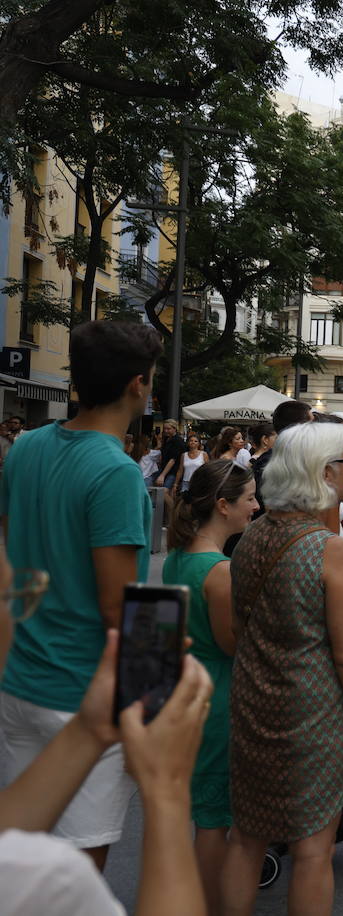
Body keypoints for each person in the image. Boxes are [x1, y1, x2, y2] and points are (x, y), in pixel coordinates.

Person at [0, 320, 160, 869]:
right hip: (79, 694)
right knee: (76, 873)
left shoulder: (25, 446)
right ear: (139, 384)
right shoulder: (115, 471)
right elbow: (122, 607)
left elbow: (12, 553)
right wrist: (154, 705)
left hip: (20, 680)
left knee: (24, 865)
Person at [220, 423, 343, 916]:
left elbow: (239, 629)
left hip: (253, 708)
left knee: (246, 838)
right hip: (313, 718)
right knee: (314, 850)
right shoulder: (328, 550)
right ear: (325, 472)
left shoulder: (252, 537)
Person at [0, 541, 215, 915]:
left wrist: (90, 729)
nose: (17, 616)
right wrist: (167, 789)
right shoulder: (48, 879)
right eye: (9, 596)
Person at [161, 458, 258, 913]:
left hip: (188, 691)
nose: (255, 507)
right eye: (249, 499)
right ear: (223, 506)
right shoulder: (219, 570)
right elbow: (230, 644)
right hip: (219, 697)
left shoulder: (178, 558)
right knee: (216, 819)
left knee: (204, 811)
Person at [155, 420, 187, 495]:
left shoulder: (177, 441)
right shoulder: (167, 439)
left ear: (175, 428)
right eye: (165, 428)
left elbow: (173, 460)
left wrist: (162, 475)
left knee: (164, 493)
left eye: (168, 429)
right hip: (164, 468)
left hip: (173, 471)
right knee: (159, 492)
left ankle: (173, 507)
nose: (166, 431)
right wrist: (158, 440)